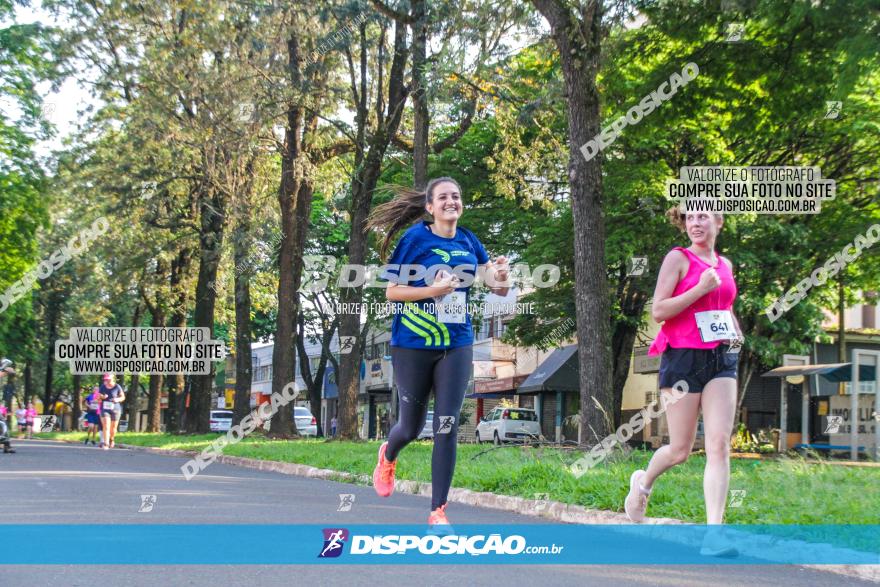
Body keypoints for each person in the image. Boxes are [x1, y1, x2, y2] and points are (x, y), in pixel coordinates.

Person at [366, 177, 509, 531]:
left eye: (456, 196)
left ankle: (438, 511)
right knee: (411, 427)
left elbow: (499, 289)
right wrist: (434, 289)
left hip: (456, 343)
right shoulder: (414, 240)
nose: (451, 201)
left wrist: (502, 275)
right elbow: (393, 293)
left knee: (446, 426)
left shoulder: (468, 241)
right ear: (430, 207)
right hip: (412, 344)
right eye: (443, 197)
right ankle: (388, 454)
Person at [624, 209, 742, 557]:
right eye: (690, 216)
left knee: (719, 444)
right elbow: (659, 311)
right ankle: (642, 485)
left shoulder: (726, 265)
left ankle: (714, 535)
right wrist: (700, 288)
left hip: (721, 358)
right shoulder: (678, 258)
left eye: (704, 216)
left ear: (719, 222)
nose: (696, 222)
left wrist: (736, 332)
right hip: (682, 359)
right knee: (680, 450)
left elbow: (724, 305)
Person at [98, 373, 125, 449]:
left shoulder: (117, 387)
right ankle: (106, 443)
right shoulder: (103, 387)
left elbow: (123, 397)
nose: (107, 380)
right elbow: (98, 398)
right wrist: (102, 397)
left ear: (112, 378)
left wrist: (117, 399)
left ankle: (111, 439)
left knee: (113, 428)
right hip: (105, 408)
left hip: (115, 409)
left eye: (108, 379)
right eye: (106, 379)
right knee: (106, 425)